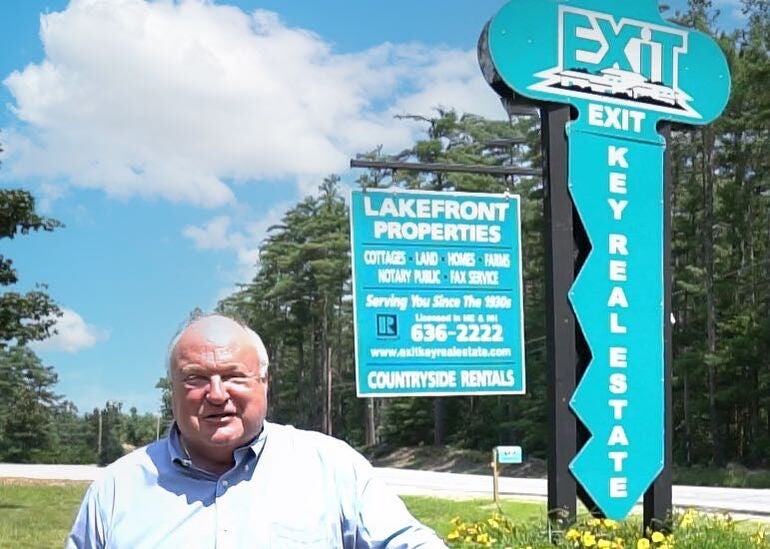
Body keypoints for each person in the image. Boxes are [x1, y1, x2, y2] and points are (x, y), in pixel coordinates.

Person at [67, 314, 447, 548]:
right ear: (172, 390)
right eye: (196, 379)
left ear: (264, 382)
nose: (216, 395)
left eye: (233, 376)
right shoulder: (116, 489)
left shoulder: (331, 468)